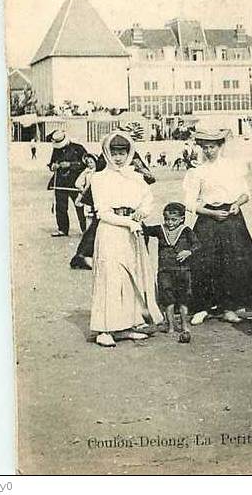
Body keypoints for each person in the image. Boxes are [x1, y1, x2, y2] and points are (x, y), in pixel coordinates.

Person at [88, 132, 163, 347]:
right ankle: (104, 328)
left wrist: (141, 212)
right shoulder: (99, 178)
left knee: (132, 277)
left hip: (133, 231)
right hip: (111, 231)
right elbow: (102, 212)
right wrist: (129, 222)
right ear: (107, 154)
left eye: (122, 152)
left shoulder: (135, 176)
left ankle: (127, 325)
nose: (119, 157)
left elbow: (148, 199)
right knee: (111, 277)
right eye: (114, 153)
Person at [183, 128, 252, 325]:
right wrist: (211, 213)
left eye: (212, 147)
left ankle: (230, 308)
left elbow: (245, 193)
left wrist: (237, 204)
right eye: (205, 147)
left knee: (233, 262)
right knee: (203, 261)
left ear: (220, 147)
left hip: (232, 218)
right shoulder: (197, 171)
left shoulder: (232, 167)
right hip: (208, 218)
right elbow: (190, 203)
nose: (209, 151)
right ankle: (202, 308)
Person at [142, 202, 198, 343]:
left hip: (183, 270)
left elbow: (197, 244)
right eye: (167, 219)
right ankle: (171, 325)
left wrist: (188, 251)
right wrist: (138, 215)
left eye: (173, 220)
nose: (170, 223)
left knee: (184, 298)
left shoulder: (186, 231)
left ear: (181, 219)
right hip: (165, 270)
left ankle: (184, 324)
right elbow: (145, 230)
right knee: (168, 298)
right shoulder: (160, 229)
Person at [47, 130, 88, 237]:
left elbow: (87, 163)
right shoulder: (56, 149)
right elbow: (51, 163)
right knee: (60, 206)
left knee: (79, 205)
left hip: (75, 182)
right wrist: (53, 166)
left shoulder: (78, 148)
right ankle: (62, 229)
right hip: (60, 181)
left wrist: (70, 164)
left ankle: (85, 230)